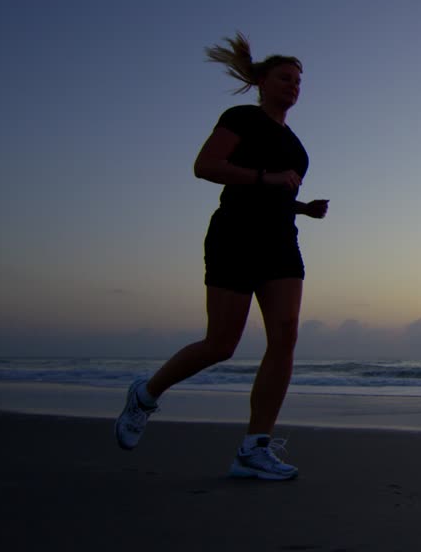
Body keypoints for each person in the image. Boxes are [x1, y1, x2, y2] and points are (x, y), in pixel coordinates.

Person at [114, 32, 328, 481]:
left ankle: (254, 448)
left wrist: (302, 208)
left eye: (298, 82)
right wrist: (268, 178)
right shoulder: (242, 117)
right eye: (285, 78)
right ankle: (146, 394)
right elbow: (206, 166)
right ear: (262, 82)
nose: (293, 86)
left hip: (280, 240)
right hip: (234, 235)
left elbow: (272, 193)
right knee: (221, 344)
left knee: (285, 336)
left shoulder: (297, 146)